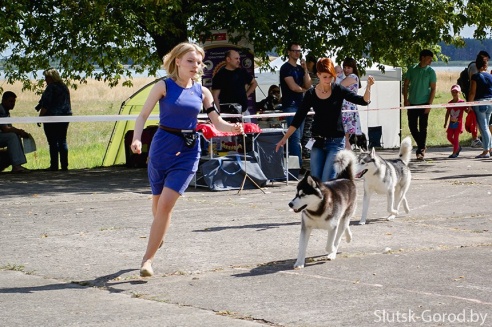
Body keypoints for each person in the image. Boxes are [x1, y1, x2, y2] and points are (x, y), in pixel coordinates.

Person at [131, 42, 244, 277]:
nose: (196, 66)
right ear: (178, 61)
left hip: (189, 150)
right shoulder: (163, 86)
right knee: (158, 207)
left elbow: (217, 122)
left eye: (199, 62)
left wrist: (235, 128)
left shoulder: (202, 92)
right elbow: (142, 116)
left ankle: (147, 260)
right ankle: (158, 236)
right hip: (162, 148)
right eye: (191, 61)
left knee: (165, 205)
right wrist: (137, 139)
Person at [275, 57, 374, 182]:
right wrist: (284, 138)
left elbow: (363, 101)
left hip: (336, 142)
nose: (328, 80)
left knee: (327, 181)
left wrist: (369, 87)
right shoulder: (311, 93)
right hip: (317, 142)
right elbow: (298, 118)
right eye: (324, 77)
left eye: (330, 77)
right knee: (316, 181)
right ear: (318, 75)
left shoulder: (338, 89)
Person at [279, 42, 312, 169]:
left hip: (301, 104)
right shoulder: (285, 68)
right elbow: (293, 87)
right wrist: (305, 91)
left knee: (300, 136)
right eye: (294, 51)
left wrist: (305, 69)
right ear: (289, 52)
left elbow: (308, 84)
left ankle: (297, 165)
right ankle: (296, 166)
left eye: (299, 51)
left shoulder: (299, 68)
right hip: (291, 105)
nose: (297, 53)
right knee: (295, 137)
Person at [35, 68, 72, 171]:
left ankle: (54, 166)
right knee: (62, 140)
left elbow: (46, 105)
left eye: (46, 77)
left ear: (50, 77)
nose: (45, 80)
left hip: (52, 117)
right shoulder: (64, 87)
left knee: (52, 142)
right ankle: (64, 165)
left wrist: (40, 117)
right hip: (65, 116)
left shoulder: (51, 88)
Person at [403, 49, 437, 161]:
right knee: (412, 126)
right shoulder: (412, 69)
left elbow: (433, 88)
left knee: (423, 128)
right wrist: (405, 99)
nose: (430, 61)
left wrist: (429, 104)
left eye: (431, 60)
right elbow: (406, 85)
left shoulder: (431, 71)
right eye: (429, 59)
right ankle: (422, 145)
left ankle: (421, 150)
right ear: (422, 57)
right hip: (412, 102)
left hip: (424, 103)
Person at [212, 49, 257, 114]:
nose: (238, 61)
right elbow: (215, 96)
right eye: (236, 58)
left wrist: (246, 95)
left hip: (243, 111)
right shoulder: (219, 75)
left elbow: (254, 83)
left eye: (239, 58)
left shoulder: (242, 72)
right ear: (228, 59)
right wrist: (219, 112)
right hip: (227, 112)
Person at [468, 53, 492, 158]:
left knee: (484, 128)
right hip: (490, 103)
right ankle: (489, 148)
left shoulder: (475, 77)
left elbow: (472, 92)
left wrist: (469, 105)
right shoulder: (490, 76)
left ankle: (486, 150)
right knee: (487, 126)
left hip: (480, 103)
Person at [0, 91, 30, 172]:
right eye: (10, 101)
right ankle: (16, 165)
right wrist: (19, 131)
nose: (12, 104)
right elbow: (5, 129)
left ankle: (17, 165)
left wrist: (18, 131)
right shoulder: (1, 110)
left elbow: (9, 127)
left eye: (14, 102)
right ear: (4, 101)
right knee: (12, 136)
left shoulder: (5, 111)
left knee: (15, 135)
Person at [340, 57, 363, 150]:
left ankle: (348, 159)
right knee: (345, 138)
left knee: (345, 138)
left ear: (353, 68)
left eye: (348, 68)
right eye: (344, 67)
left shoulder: (353, 77)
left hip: (347, 109)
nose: (346, 70)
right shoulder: (349, 77)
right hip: (346, 108)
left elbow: (339, 86)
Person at [444, 85, 468, 158]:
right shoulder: (450, 103)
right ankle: (457, 147)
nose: (454, 93)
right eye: (453, 92)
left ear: (459, 92)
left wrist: (470, 108)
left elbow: (467, 110)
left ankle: (454, 153)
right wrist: (445, 123)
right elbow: (447, 113)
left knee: (456, 137)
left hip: (458, 124)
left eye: (456, 92)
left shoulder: (462, 102)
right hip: (451, 124)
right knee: (449, 136)